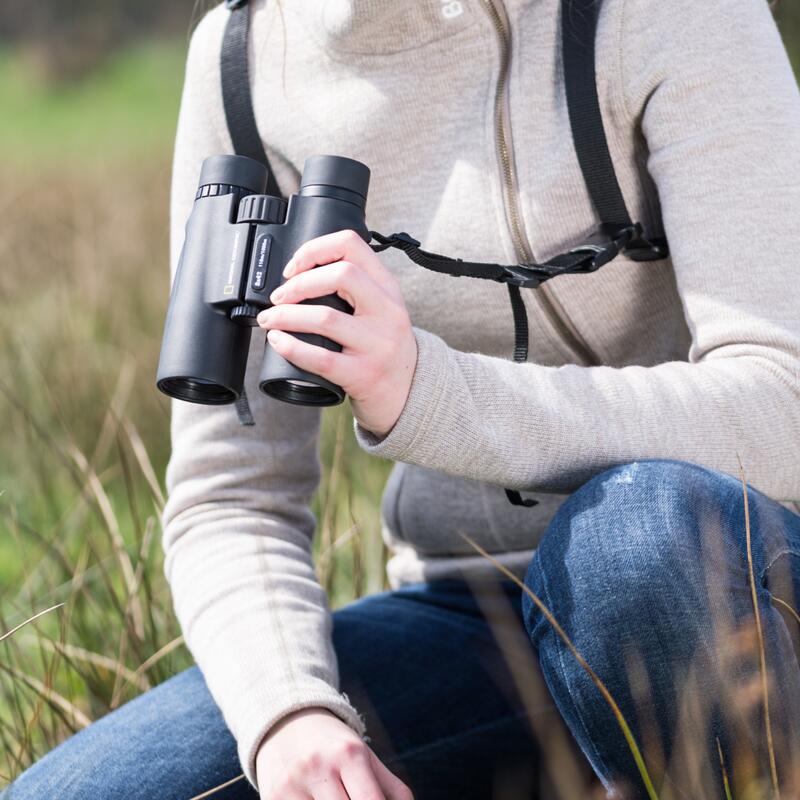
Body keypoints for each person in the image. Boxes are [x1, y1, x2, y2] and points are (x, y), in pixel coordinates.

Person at [5, 0, 800, 798]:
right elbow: (231, 496)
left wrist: (429, 392)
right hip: (469, 615)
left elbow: (782, 409)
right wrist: (289, 716)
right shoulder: (242, 58)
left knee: (634, 544)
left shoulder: (671, 14)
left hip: (718, 579)